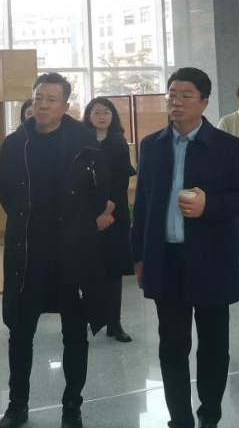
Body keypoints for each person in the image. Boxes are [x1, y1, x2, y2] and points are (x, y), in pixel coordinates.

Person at [131, 67, 239, 428]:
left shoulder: (228, 147)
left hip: (212, 261)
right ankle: (180, 419)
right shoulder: (151, 146)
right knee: (171, 346)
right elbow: (142, 206)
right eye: (172, 94)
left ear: (204, 101)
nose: (176, 101)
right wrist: (138, 256)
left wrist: (210, 205)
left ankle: (210, 415)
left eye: (186, 94)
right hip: (165, 260)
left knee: (214, 346)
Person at [0, 73, 111, 428]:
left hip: (71, 253)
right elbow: (5, 190)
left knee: (74, 334)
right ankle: (17, 404)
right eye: (38, 98)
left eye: (51, 99)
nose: (42, 105)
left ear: (65, 105)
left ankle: (72, 406)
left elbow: (99, 190)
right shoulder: (16, 143)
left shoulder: (85, 142)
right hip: (28, 251)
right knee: (20, 333)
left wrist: (83, 222)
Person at [83, 96, 137, 343]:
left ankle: (114, 323)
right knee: (87, 269)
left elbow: (121, 180)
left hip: (115, 215)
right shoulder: (81, 142)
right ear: (88, 116)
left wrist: (107, 210)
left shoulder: (119, 142)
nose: (102, 116)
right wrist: (96, 210)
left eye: (106, 112)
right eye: (97, 112)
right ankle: (88, 318)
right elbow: (78, 180)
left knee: (113, 271)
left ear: (113, 116)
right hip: (87, 215)